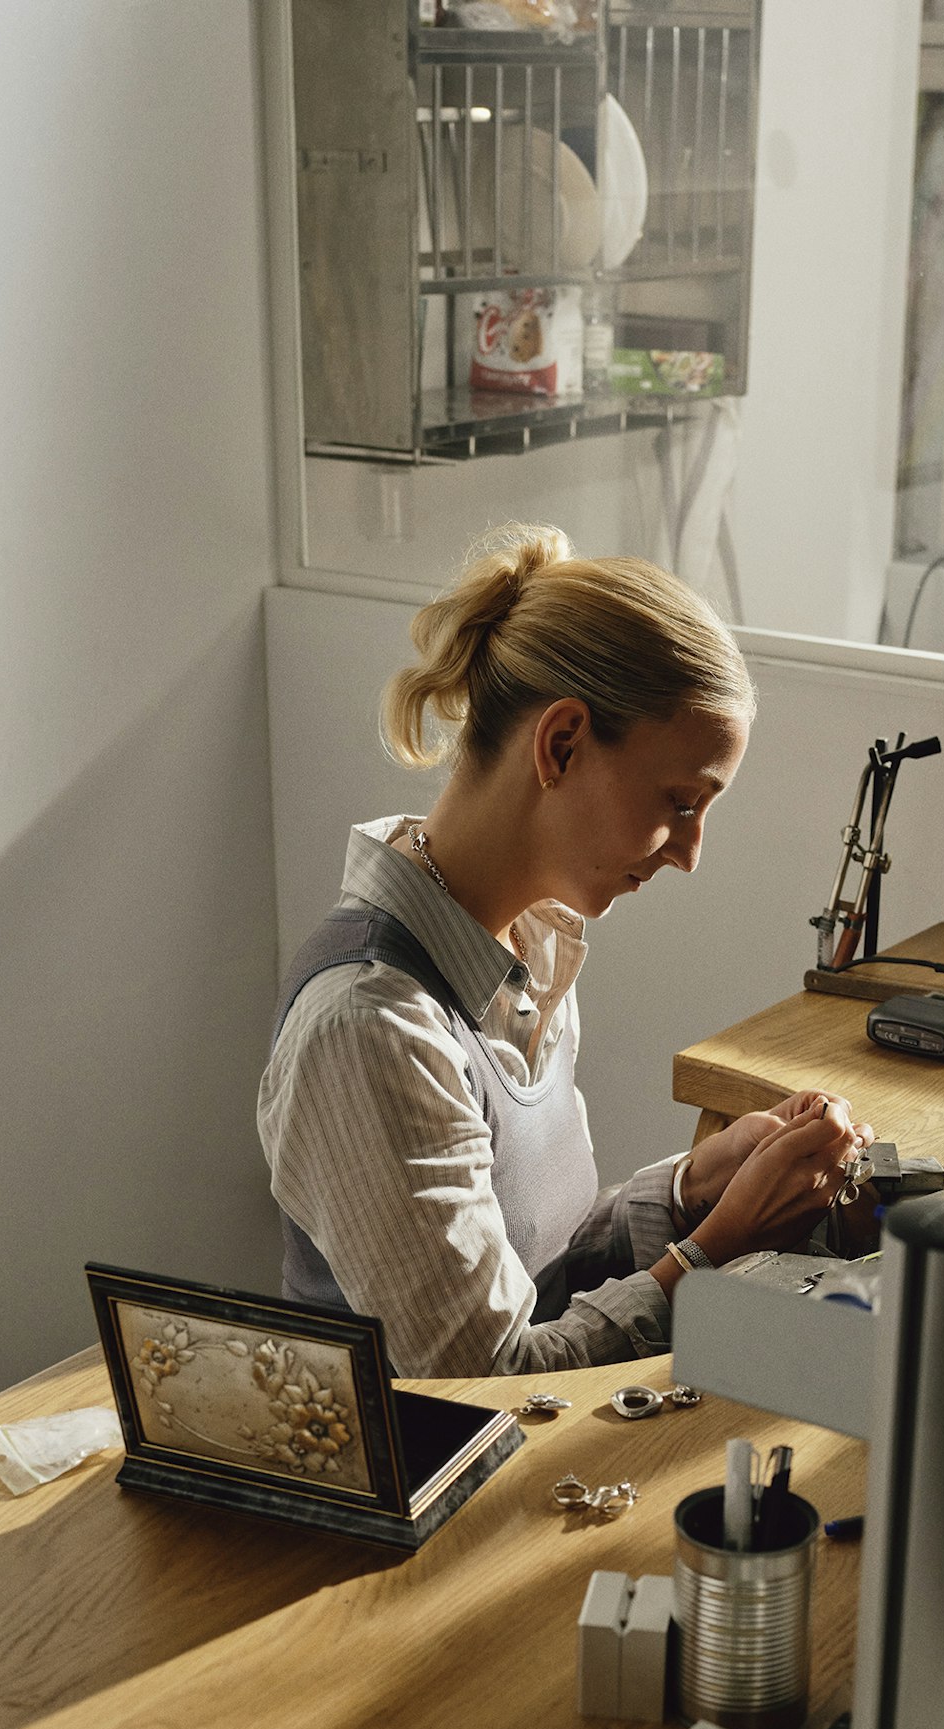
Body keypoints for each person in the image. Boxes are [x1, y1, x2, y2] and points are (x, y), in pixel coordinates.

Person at [258, 525, 870, 1376]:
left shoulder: (531, 948)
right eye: (681, 802)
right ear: (561, 743)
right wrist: (713, 1253)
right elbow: (485, 1384)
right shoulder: (371, 1030)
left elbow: (542, 1262)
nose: (690, 852)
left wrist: (697, 1187)